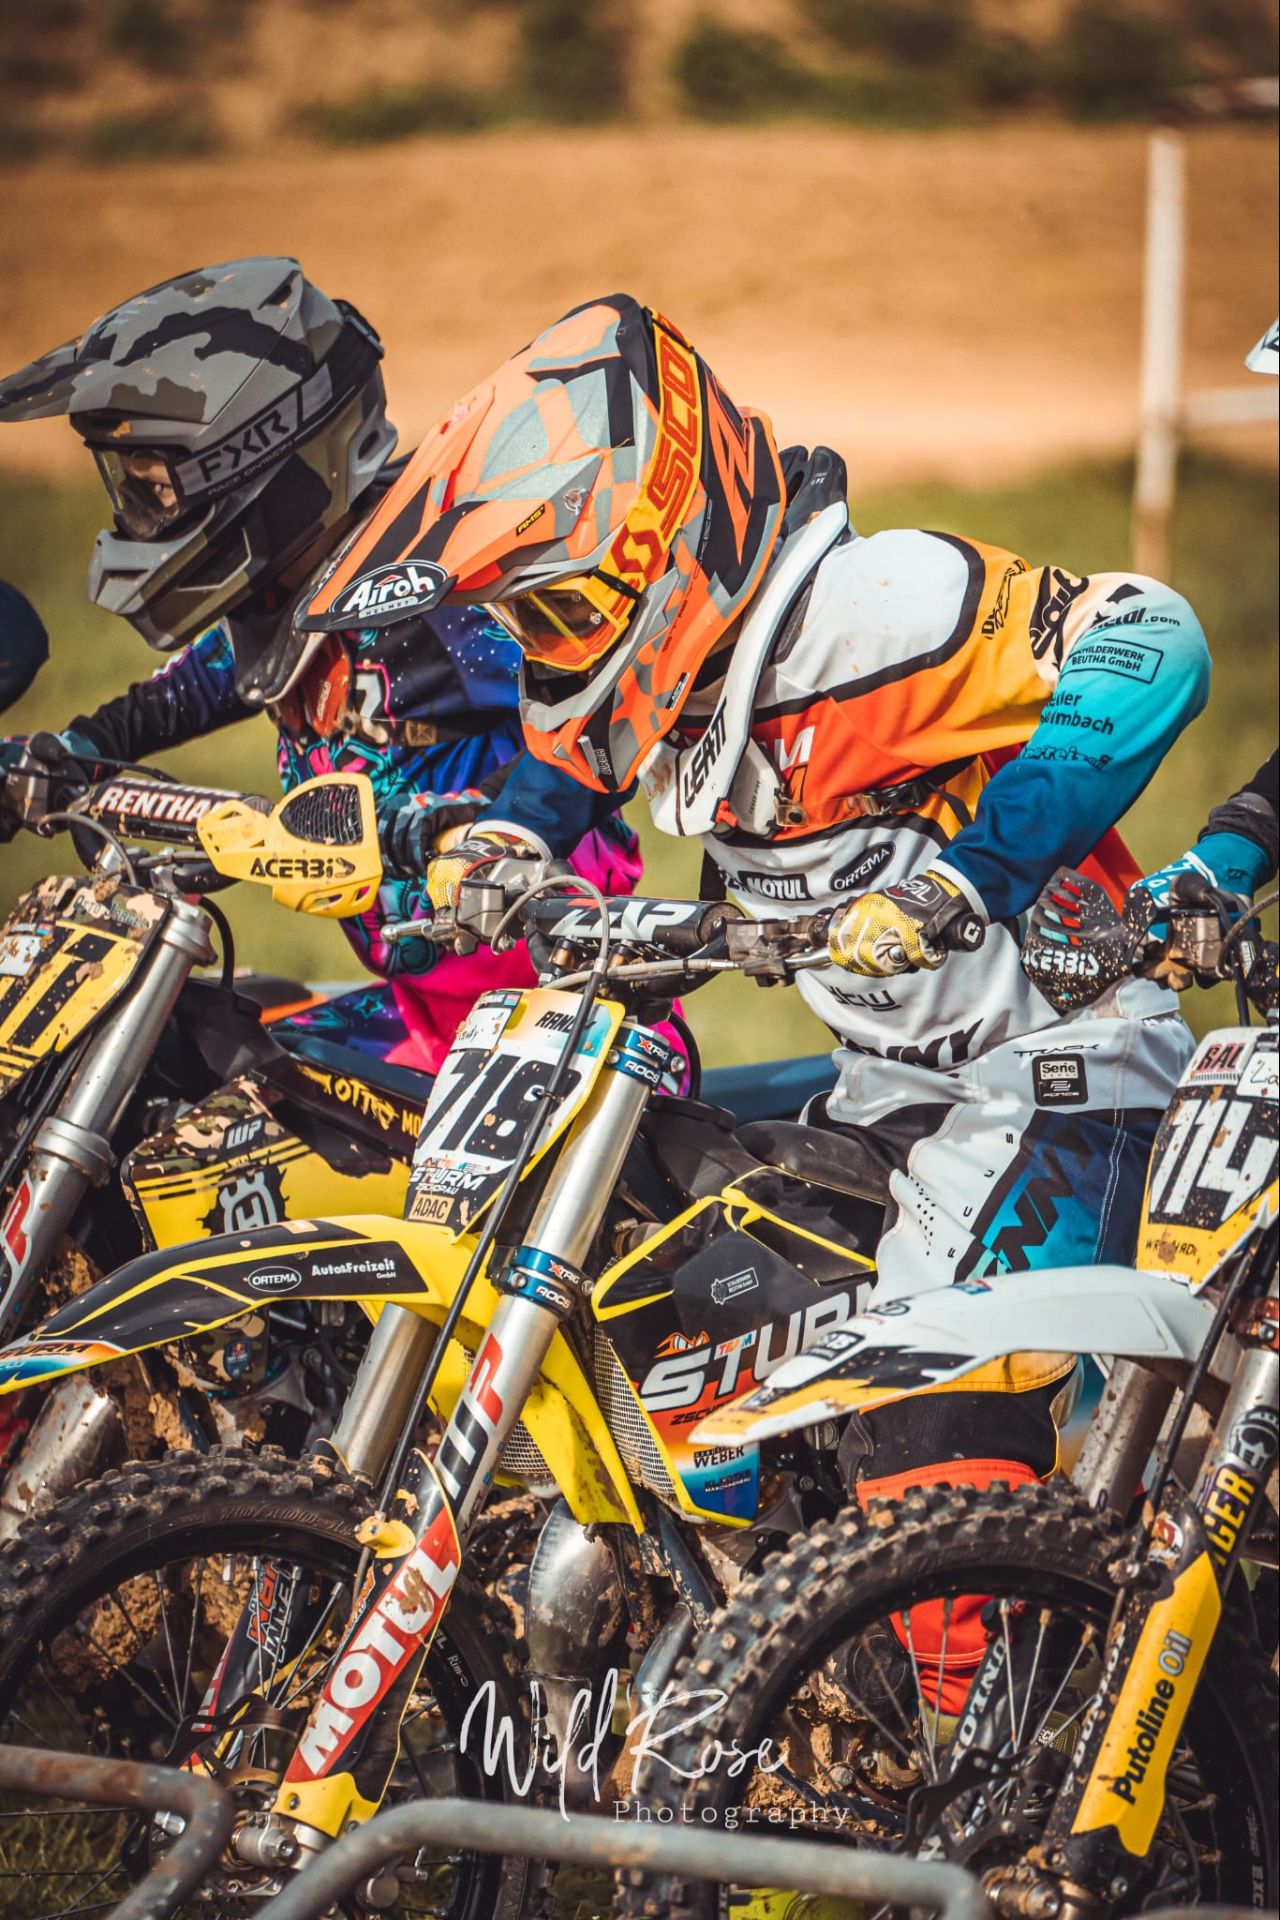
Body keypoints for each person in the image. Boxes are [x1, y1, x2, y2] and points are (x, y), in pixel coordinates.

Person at [296, 292, 1212, 1510]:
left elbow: (1151, 636)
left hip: (1066, 1077)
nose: (552, 646)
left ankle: (987, 1627)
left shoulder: (872, 612)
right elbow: (579, 758)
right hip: (892, 1099)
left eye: (565, 608)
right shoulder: (691, 673)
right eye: (528, 619)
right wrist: (506, 839)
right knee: (672, 1327)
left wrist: (969, 878)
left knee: (915, 1436)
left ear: (671, 540)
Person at [0, 260, 640, 1073]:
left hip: (564, 1023)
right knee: (196, 1084)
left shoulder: (435, 588)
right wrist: (73, 751)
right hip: (425, 1015)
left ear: (257, 466)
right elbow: (211, 679)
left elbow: (601, 705)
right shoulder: (292, 600)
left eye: (155, 492)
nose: (137, 516)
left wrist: (487, 828)